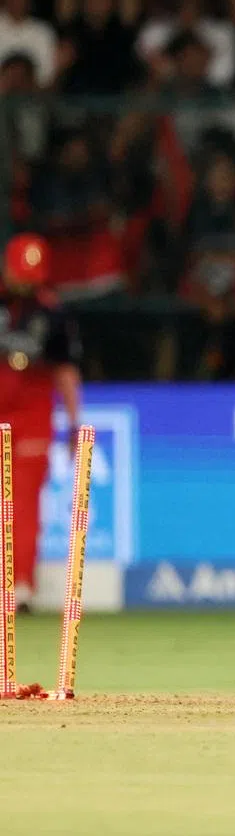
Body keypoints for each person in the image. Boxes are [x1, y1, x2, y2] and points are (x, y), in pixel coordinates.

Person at [0, 234, 83, 610]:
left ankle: (21, 586)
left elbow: (65, 371)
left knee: (23, 502)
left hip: (33, 415)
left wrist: (73, 420)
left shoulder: (53, 314)